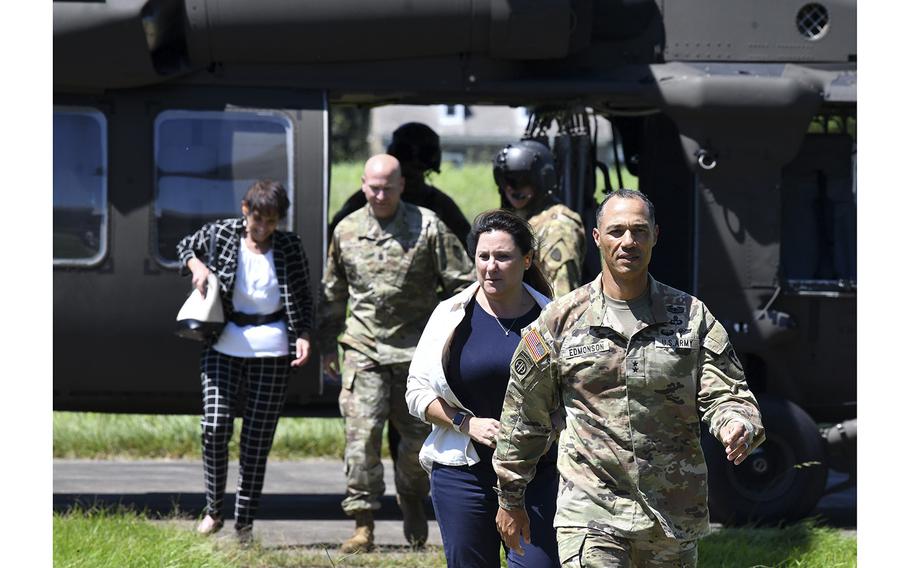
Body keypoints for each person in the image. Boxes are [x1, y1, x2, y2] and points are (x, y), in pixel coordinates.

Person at [493, 189, 766, 567]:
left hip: (671, 515)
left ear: (656, 234)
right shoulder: (561, 320)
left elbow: (726, 391)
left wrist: (736, 423)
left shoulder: (690, 316)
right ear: (597, 237)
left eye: (639, 231)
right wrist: (510, 496)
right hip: (592, 513)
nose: (628, 242)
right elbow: (525, 414)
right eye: (617, 231)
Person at [318, 154, 475, 552]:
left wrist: (457, 339)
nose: (380, 194)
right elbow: (333, 292)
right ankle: (363, 523)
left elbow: (462, 283)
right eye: (373, 187)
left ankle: (411, 498)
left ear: (402, 184)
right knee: (361, 439)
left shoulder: (428, 226)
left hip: (414, 353)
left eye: (388, 186)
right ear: (363, 184)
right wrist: (326, 344)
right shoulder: (347, 230)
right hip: (363, 348)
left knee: (415, 445)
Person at [406, 209, 561, 567]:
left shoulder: (554, 318)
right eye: (484, 256)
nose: (491, 266)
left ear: (526, 260)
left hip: (537, 471)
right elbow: (416, 391)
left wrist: (547, 428)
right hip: (464, 469)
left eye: (503, 256)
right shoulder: (450, 314)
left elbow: (577, 393)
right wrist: (465, 422)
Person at [176, 180, 314, 542]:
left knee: (256, 438)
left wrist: (303, 334)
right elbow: (184, 246)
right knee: (215, 425)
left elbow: (302, 292)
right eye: (257, 219)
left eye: (271, 221)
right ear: (245, 210)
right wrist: (197, 267)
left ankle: (244, 523)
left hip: (271, 347)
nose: (264, 228)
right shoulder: (221, 233)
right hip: (223, 341)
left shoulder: (289, 246)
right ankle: (213, 510)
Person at [330, 122, 472, 248]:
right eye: (407, 156)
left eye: (419, 161)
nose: (413, 164)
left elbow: (470, 247)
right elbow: (332, 239)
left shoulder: (440, 206)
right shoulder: (364, 201)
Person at [493, 139, 586, 298]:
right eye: (504, 181)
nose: (510, 188)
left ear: (541, 179)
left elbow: (563, 297)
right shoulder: (515, 221)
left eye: (519, 180)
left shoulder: (557, 226)